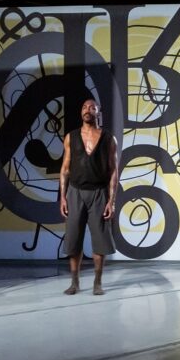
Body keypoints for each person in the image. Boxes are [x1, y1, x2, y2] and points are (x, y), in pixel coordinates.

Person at [59, 98, 119, 295]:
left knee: (99, 240)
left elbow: (113, 171)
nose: (87, 110)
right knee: (74, 240)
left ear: (97, 112)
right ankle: (74, 282)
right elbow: (65, 169)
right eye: (84, 107)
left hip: (99, 193)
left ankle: (97, 282)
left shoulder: (108, 139)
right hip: (75, 192)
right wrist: (63, 197)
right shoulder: (71, 137)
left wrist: (112, 201)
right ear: (80, 112)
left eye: (91, 107)